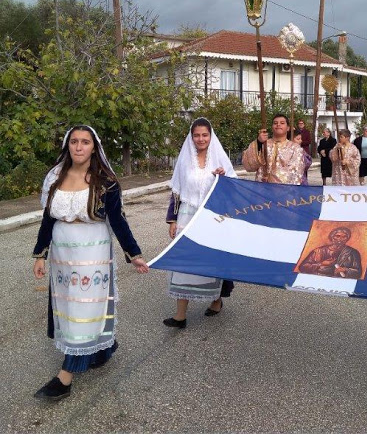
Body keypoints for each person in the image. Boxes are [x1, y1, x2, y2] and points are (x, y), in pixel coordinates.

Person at [32, 125, 149, 401]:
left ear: (93, 147)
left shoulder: (105, 181)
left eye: (85, 142)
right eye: (74, 142)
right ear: (68, 145)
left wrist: (134, 253)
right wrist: (40, 254)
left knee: (84, 310)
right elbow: (48, 219)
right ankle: (102, 349)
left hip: (92, 255)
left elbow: (118, 220)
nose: (79, 147)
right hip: (62, 256)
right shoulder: (55, 179)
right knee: (68, 308)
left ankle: (65, 377)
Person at [164, 118, 237, 329]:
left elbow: (232, 187)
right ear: (191, 136)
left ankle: (216, 300)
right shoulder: (185, 159)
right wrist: (172, 220)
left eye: (205, 135)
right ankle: (180, 315)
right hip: (187, 217)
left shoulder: (219, 159)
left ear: (211, 136)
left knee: (211, 262)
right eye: (197, 135)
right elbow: (176, 190)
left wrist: (221, 179)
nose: (201, 139)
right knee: (184, 263)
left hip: (211, 218)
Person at [242, 114, 305, 184]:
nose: (278, 125)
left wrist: (272, 178)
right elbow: (248, 165)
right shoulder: (263, 145)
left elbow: (296, 171)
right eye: (275, 123)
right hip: (262, 189)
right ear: (272, 127)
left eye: (282, 123)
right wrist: (259, 142)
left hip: (285, 191)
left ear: (288, 128)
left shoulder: (295, 148)